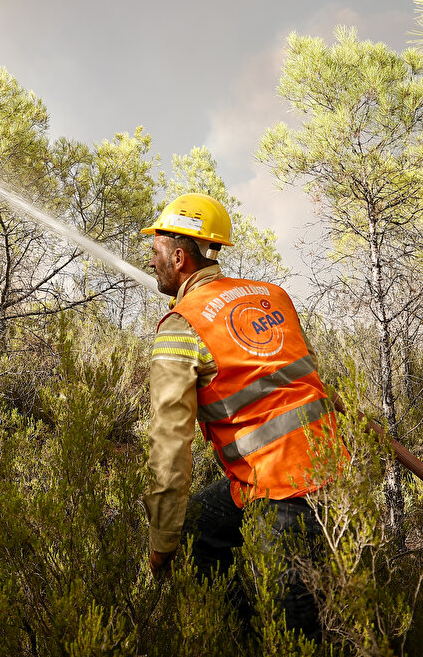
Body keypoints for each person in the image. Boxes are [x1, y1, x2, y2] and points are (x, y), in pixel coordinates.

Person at [141, 192, 343, 637]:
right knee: (199, 524)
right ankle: (241, 634)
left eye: (155, 251)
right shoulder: (272, 295)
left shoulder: (182, 324)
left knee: (296, 635)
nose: (149, 261)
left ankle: (268, 636)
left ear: (178, 257)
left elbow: (170, 447)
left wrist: (161, 544)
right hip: (335, 468)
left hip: (282, 488)